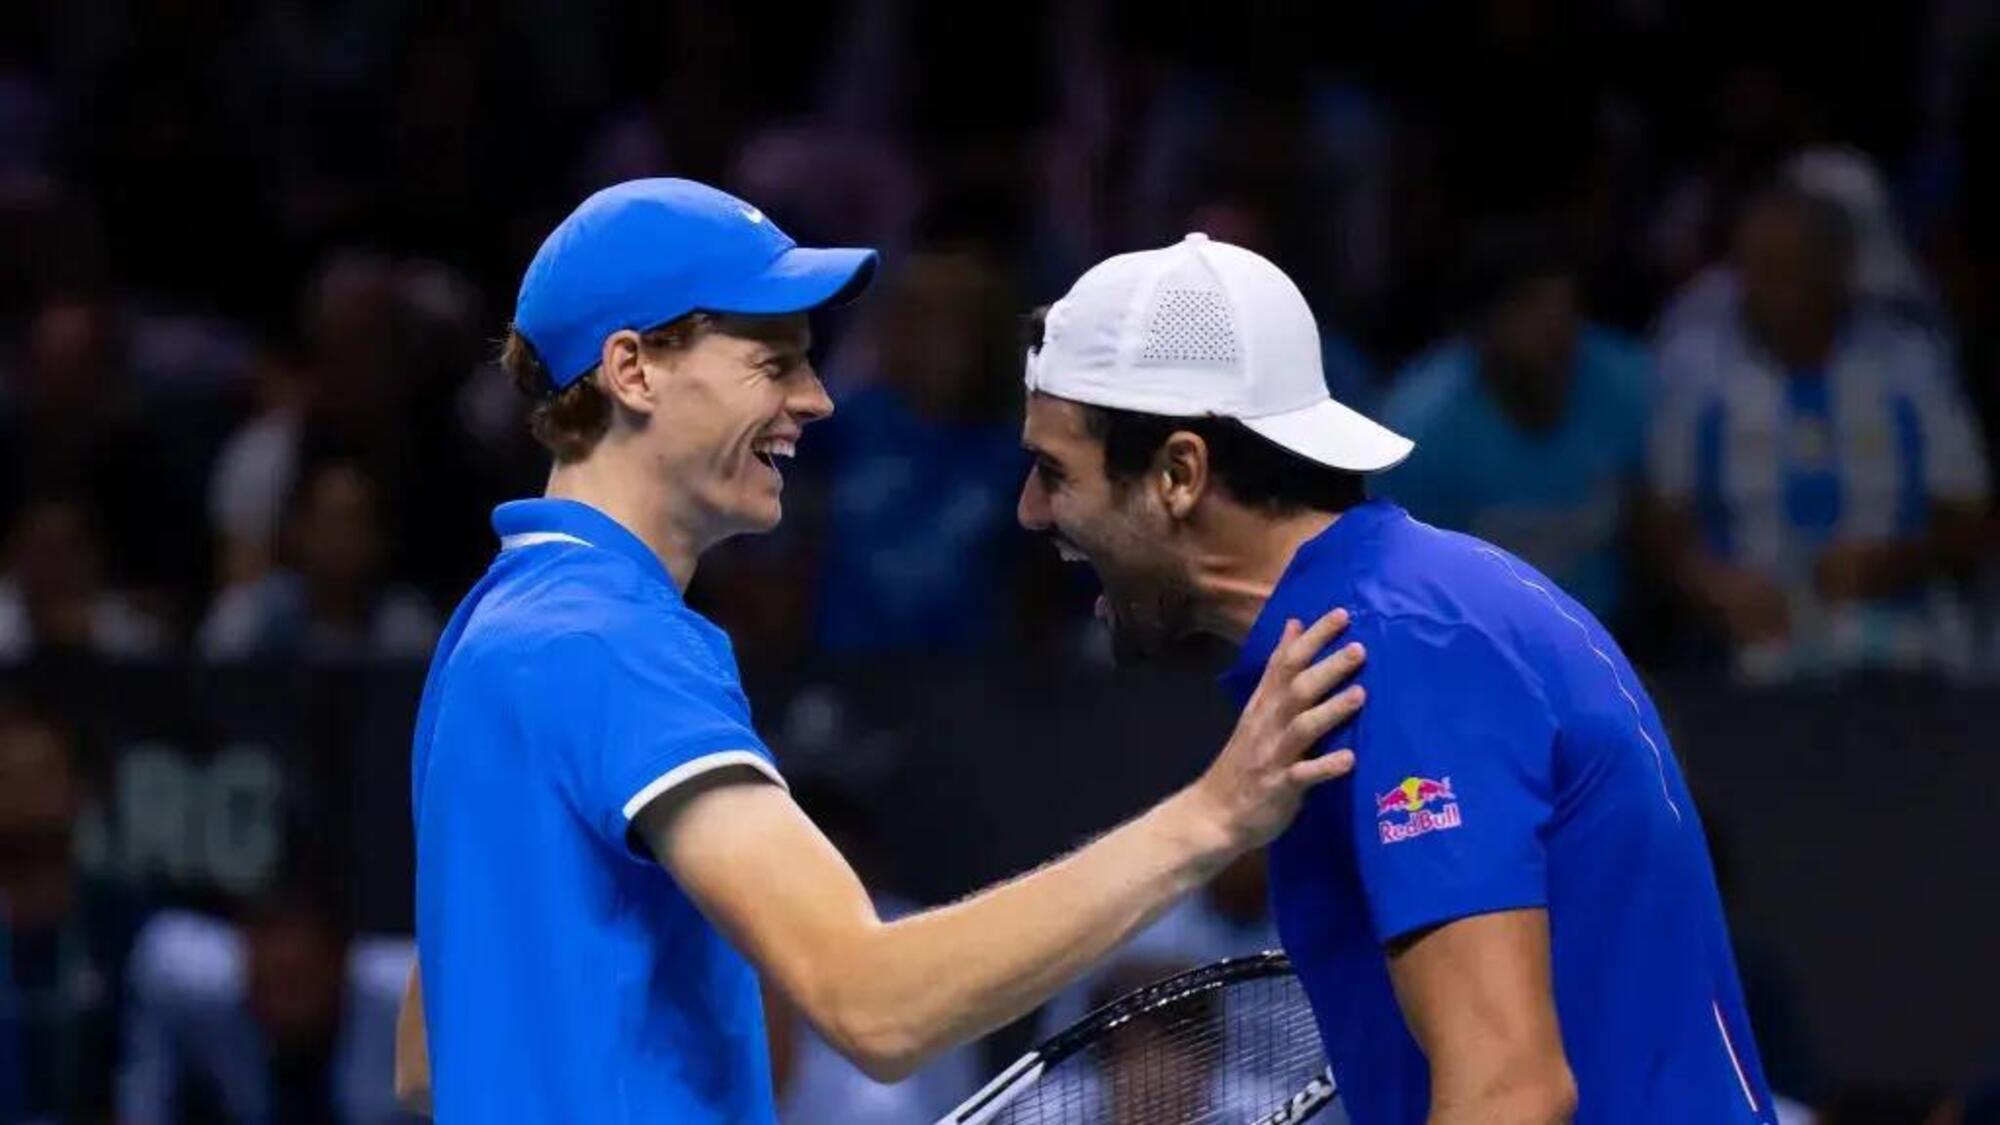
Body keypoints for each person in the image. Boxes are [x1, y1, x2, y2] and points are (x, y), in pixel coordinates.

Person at [397, 179, 1367, 1122]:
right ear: (633, 368)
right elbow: (873, 1004)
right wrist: (1211, 815)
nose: (817, 399)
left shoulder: (493, 628)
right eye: (772, 362)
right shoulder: (613, 641)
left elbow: (426, 1062)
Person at [1017, 233, 1775, 1123]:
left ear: (1181, 472)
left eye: (1055, 471)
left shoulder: (1405, 651)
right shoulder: (1399, 612)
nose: (1031, 511)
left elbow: (1510, 1092)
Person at [1646, 184, 1989, 680]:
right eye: (1750, 268)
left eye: (1782, 269)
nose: (1759, 288)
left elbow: (1969, 520)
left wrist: (1891, 564)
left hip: (1905, 652)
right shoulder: (1695, 370)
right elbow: (1660, 525)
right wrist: (1712, 585)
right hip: (1746, 665)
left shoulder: (1911, 364)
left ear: (1835, 273)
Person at [1378, 227, 1651, 628]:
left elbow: (1655, 525)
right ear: (1479, 328)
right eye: (1530, 311)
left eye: (1564, 310)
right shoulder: (1418, 426)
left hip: (1612, 637)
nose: (1553, 331)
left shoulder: (1629, 384)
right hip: (1470, 641)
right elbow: (1400, 585)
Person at [120, 882, 416, 1125]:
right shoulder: (182, 982)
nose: (285, 1003)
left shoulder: (421, 1006)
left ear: (341, 960)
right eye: (271, 981)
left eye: (298, 979)